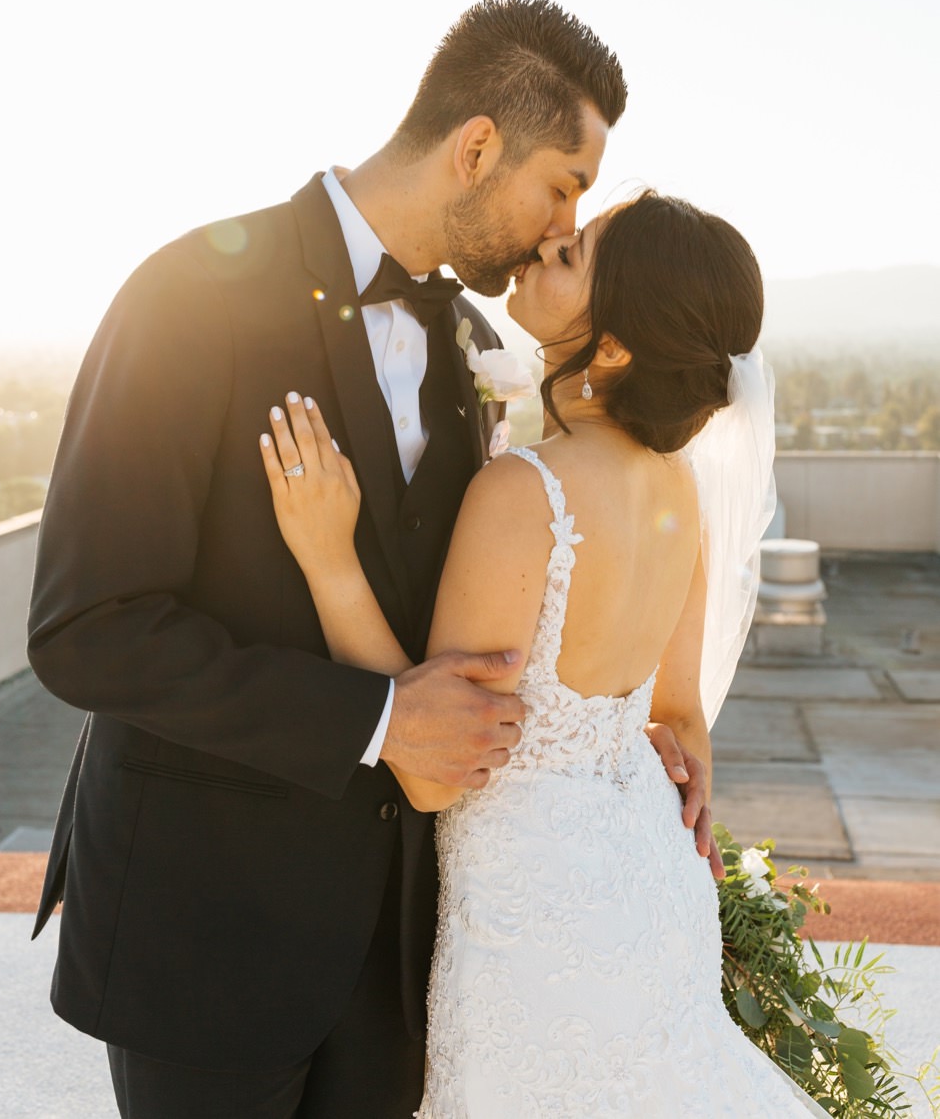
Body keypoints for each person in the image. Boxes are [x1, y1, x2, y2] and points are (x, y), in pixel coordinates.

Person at [27, 0, 715, 1117]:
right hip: (206, 934)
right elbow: (85, 629)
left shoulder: (479, 347)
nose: (558, 229)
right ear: (478, 148)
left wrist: (658, 729)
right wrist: (379, 722)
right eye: (564, 186)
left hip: (407, 958)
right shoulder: (188, 293)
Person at [260, 191, 822, 1113]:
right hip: (649, 884)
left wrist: (329, 561)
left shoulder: (528, 491)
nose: (548, 242)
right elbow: (678, 719)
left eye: (574, 254)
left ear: (613, 349)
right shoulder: (679, 488)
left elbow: (437, 775)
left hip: (538, 918)